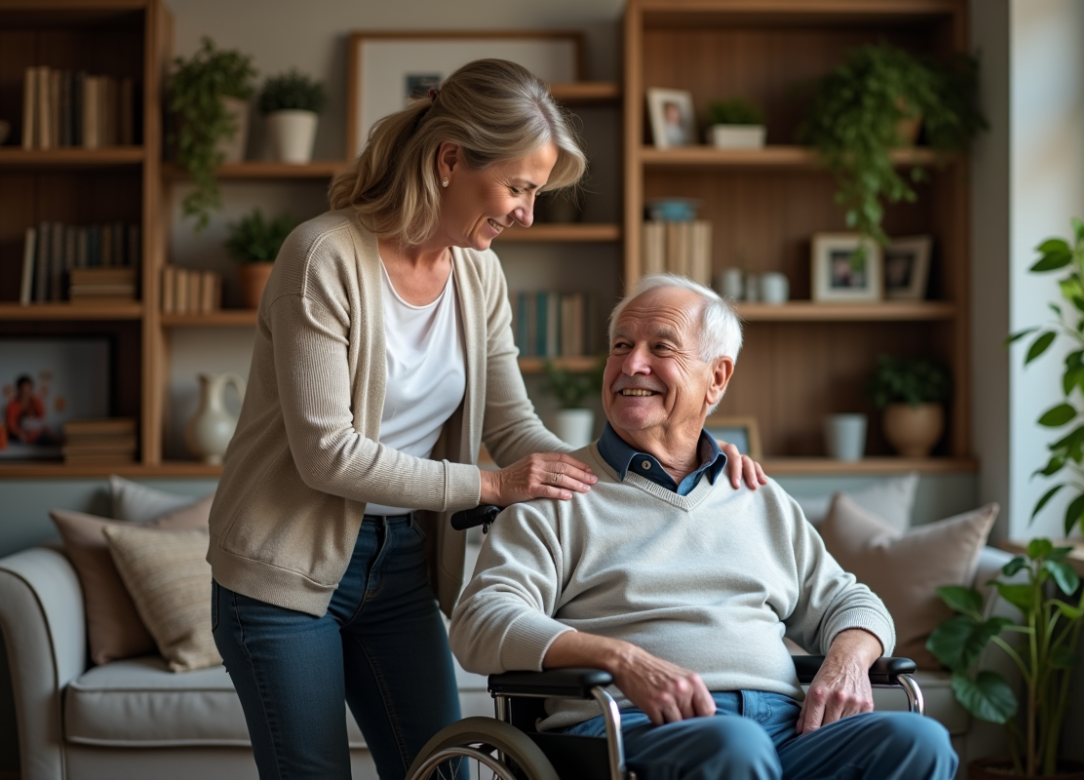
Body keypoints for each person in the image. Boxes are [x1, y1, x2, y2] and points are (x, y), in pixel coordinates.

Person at [207, 60, 765, 780]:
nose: (526, 213)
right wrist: (495, 486)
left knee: (450, 768)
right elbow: (329, 457)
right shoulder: (323, 256)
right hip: (281, 569)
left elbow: (513, 423)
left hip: (400, 561)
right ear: (449, 161)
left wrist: (683, 463)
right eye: (518, 188)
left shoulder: (479, 274)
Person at [450, 274, 958, 780]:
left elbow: (853, 602)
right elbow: (481, 618)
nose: (631, 364)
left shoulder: (757, 496)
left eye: (661, 348)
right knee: (732, 749)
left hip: (785, 731)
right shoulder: (558, 495)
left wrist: (847, 658)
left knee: (919, 742)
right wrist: (623, 659)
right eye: (621, 346)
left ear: (716, 378)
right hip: (630, 728)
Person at [5, 375, 49, 445]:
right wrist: (20, 433)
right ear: (18, 389)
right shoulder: (13, 405)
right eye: (23, 389)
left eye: (28, 389)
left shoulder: (36, 402)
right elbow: (11, 425)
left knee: (47, 434)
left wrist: (36, 431)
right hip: (17, 434)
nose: (25, 391)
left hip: (34, 431)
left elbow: (41, 418)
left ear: (31, 389)